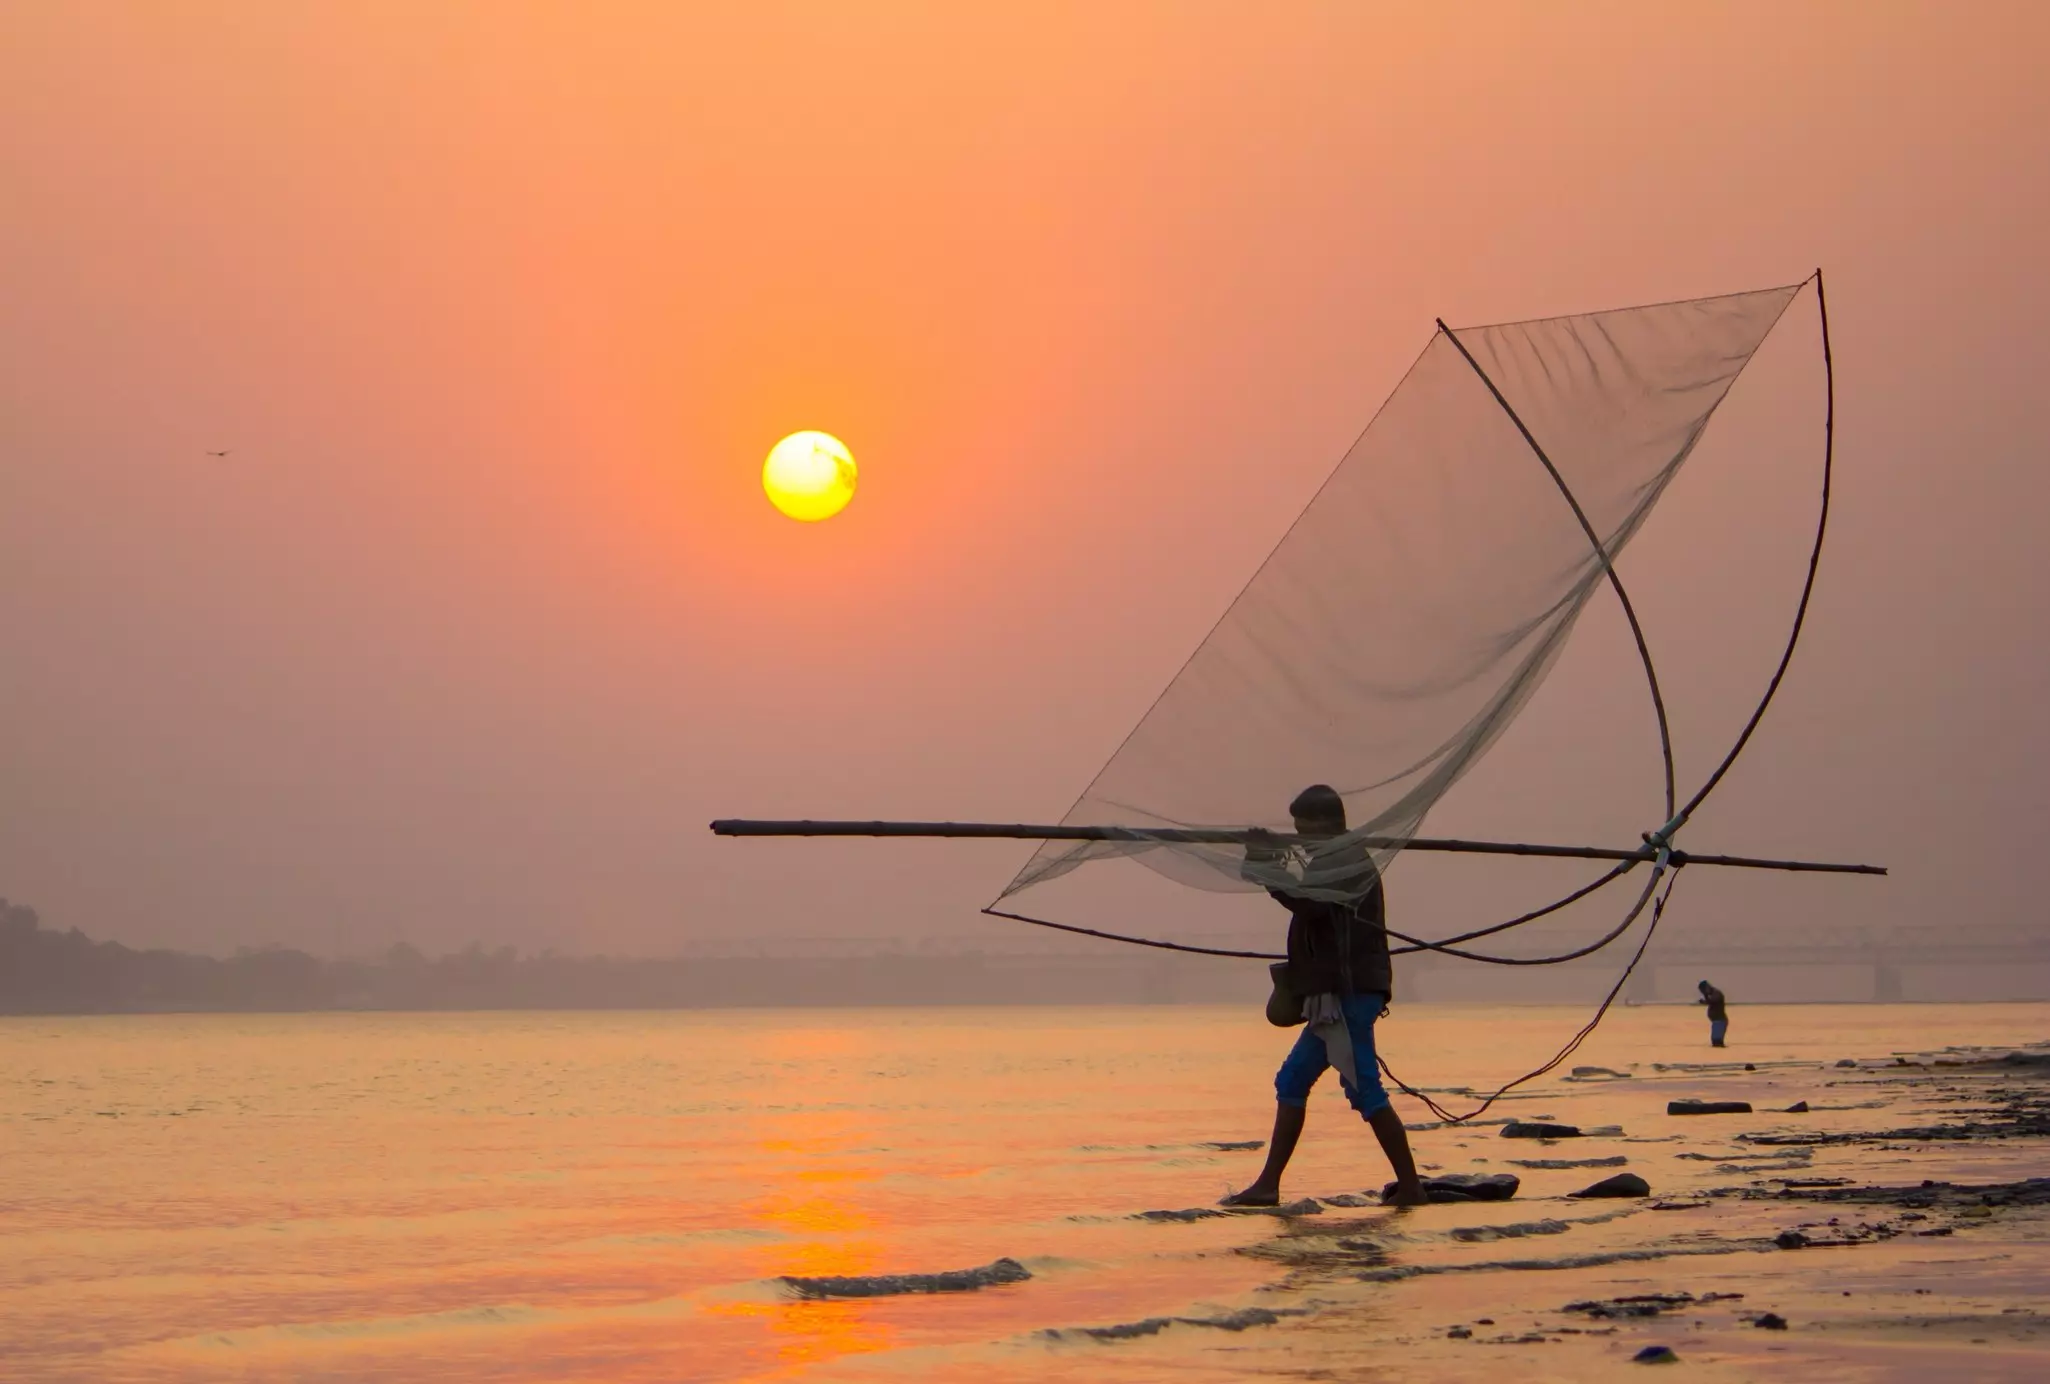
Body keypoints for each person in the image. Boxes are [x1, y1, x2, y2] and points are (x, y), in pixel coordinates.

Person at [1222, 784, 1427, 1208]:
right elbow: (1305, 894)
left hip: (1350, 991)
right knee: (1293, 1081)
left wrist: (1266, 867)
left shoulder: (1345, 859)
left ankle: (1412, 1187)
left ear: (1328, 826)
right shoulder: (1330, 858)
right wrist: (1270, 858)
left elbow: (1309, 903)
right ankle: (1268, 1185)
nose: (1302, 838)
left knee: (1365, 1091)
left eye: (1305, 830)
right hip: (1335, 993)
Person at [1698, 979, 1730, 1047]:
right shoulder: (1711, 994)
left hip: (1720, 1021)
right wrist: (1705, 998)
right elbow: (1710, 1002)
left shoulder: (1717, 993)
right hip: (1715, 1022)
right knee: (1714, 1042)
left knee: (1717, 1042)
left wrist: (1705, 997)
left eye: (1703, 991)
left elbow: (1713, 1001)